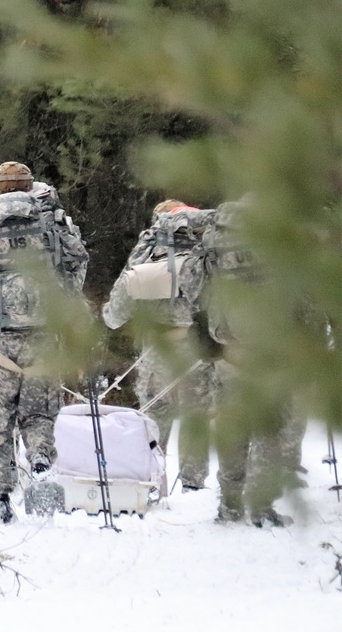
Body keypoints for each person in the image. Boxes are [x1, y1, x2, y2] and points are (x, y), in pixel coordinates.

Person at [0, 161, 87, 524]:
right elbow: (77, 261)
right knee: (39, 407)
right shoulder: (52, 221)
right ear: (29, 186)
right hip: (44, 334)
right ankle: (40, 458)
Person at [180, 200, 299, 526]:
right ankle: (261, 508)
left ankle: (229, 505)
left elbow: (190, 287)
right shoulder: (278, 237)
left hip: (229, 349)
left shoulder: (215, 242)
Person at [101, 199, 216, 492]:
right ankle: (192, 484)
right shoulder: (206, 248)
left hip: (157, 349)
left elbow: (124, 293)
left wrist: (109, 317)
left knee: (154, 414)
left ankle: (151, 480)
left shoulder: (150, 247)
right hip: (196, 345)